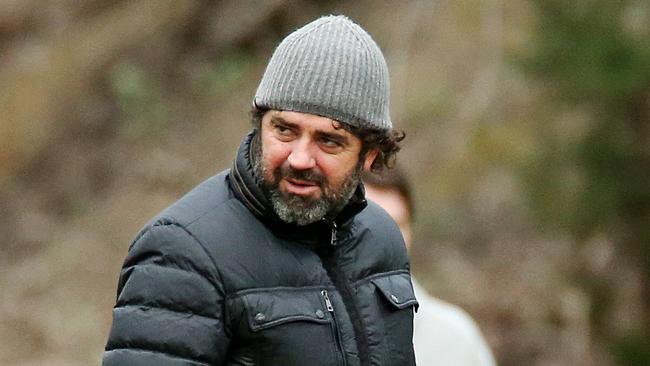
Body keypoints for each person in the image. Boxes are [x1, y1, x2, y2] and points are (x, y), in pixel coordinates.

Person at [102, 15, 419, 366]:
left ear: (369, 156)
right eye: (284, 130)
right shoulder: (181, 253)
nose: (299, 158)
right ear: (260, 125)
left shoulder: (382, 239)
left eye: (328, 141)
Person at [363, 168, 497, 366]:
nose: (386, 239)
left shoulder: (455, 338)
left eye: (396, 225)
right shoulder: (307, 330)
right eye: (368, 224)